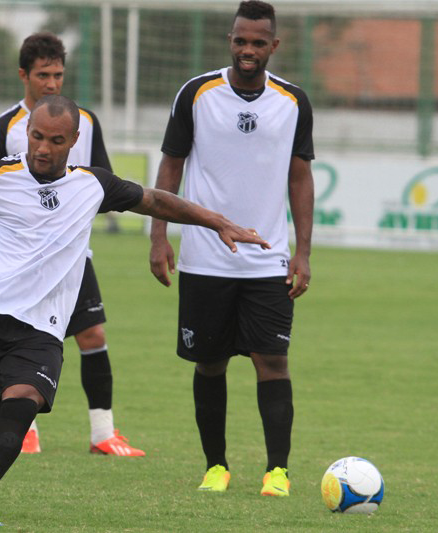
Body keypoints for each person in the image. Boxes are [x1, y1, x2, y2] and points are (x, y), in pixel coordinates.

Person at [0, 95, 269, 526]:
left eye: (56, 140)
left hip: (39, 333)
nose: (43, 148)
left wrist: (219, 222)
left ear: (73, 140)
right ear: (27, 131)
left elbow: (155, 200)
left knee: (21, 409)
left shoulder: (92, 185)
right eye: (37, 136)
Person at [149, 0, 314, 497]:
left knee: (273, 361)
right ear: (230, 40)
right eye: (240, 40)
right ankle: (215, 467)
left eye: (258, 42)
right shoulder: (196, 94)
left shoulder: (293, 101)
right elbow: (171, 167)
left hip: (268, 260)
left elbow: (300, 178)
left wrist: (303, 252)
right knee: (210, 362)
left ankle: (277, 472)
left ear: (273, 46)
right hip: (205, 258)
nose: (248, 49)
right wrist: (158, 237)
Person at [0, 31, 136, 456]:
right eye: (43, 75)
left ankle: (103, 434)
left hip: (73, 257)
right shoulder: (1, 129)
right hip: (19, 262)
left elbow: (104, 185)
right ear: (23, 75)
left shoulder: (85, 122)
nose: (51, 83)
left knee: (93, 335)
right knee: (15, 338)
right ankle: (24, 428)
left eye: (58, 75)